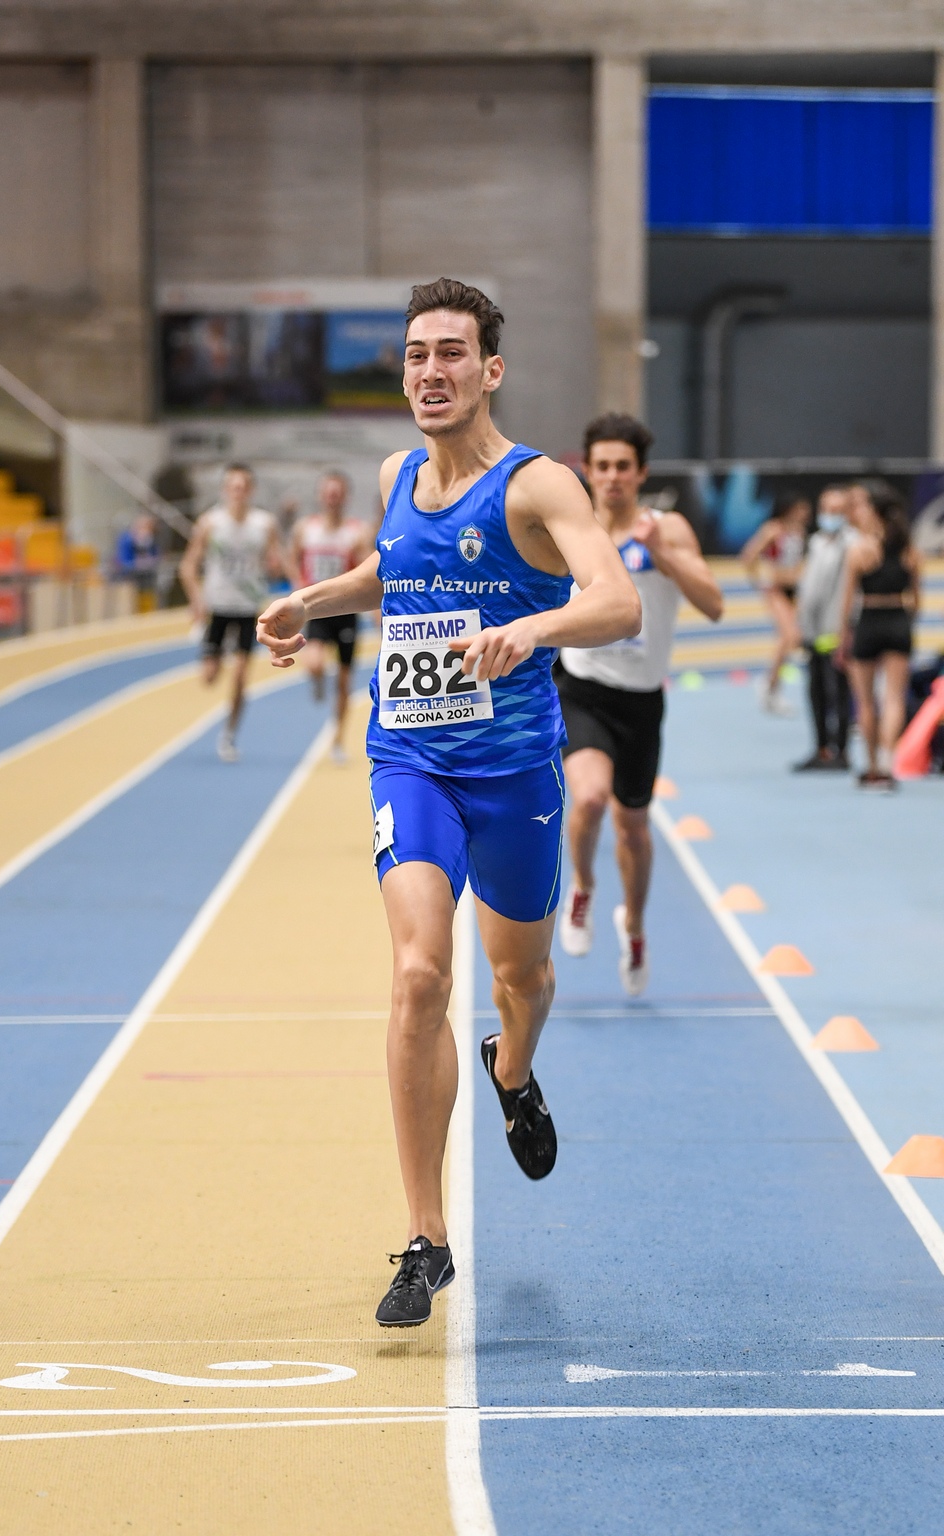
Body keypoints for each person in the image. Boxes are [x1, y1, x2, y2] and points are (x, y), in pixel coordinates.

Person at [256, 277, 641, 1327]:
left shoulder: (538, 486)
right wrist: (312, 600)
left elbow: (617, 601)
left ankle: (513, 1072)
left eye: (451, 353)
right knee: (420, 973)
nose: (431, 371)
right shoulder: (396, 475)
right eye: (417, 354)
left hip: (513, 775)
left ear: (489, 370)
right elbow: (395, 569)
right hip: (411, 761)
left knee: (522, 978)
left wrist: (531, 630)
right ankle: (426, 1241)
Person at [554, 415, 723, 992]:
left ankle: (634, 925)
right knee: (589, 798)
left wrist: (663, 555)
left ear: (642, 473)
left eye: (623, 467)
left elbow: (714, 605)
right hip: (581, 688)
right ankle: (582, 886)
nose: (612, 477)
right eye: (602, 466)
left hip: (641, 701)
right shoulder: (573, 530)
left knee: (633, 829)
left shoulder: (666, 528)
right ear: (587, 470)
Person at [179, 463, 280, 763]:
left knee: (240, 676)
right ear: (225, 490)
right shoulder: (210, 523)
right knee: (209, 678)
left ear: (251, 490)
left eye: (243, 487)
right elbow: (187, 566)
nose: (238, 492)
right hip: (218, 606)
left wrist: (283, 576)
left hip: (248, 608)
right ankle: (217, 652)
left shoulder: (264, 524)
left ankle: (229, 734)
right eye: (233, 487)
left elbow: (278, 560)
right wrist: (196, 600)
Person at [839, 479, 921, 790]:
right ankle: (888, 761)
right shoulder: (909, 550)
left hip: (869, 619)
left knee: (865, 701)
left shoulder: (860, 550)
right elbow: (917, 600)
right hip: (898, 617)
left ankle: (871, 765)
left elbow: (848, 602)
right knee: (894, 698)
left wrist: (843, 635)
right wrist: (905, 622)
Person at [290, 472, 372, 763]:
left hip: (346, 612)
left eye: (337, 493)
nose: (332, 498)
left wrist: (375, 611)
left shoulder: (356, 532)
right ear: (320, 496)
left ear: (345, 497)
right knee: (313, 663)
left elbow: (367, 570)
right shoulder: (306, 529)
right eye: (328, 493)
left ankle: (337, 740)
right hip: (318, 609)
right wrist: (297, 586)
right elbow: (293, 558)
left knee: (344, 683)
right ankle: (317, 680)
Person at [792, 485, 856, 772]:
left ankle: (841, 749)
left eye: (837, 510)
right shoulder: (816, 542)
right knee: (815, 690)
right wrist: (801, 623)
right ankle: (821, 748)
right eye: (827, 510)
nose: (831, 515)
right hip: (814, 630)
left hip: (836, 629)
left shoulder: (852, 544)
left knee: (838, 691)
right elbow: (809, 588)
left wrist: (847, 629)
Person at [741, 495, 810, 715]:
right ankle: (769, 685)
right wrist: (757, 579)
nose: (805, 514)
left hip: (795, 589)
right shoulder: (773, 529)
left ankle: (772, 685)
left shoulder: (800, 531)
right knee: (790, 636)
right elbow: (749, 555)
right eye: (800, 509)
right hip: (776, 589)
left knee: (789, 639)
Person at [114, 513, 159, 612]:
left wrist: (150, 561)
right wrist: (137, 564)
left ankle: (148, 609)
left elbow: (155, 555)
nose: (147, 532)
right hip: (129, 574)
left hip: (145, 574)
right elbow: (123, 561)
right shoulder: (126, 539)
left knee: (149, 583)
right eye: (146, 528)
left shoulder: (150, 540)